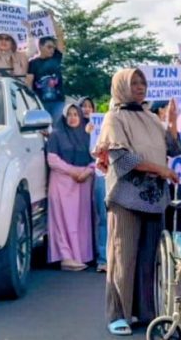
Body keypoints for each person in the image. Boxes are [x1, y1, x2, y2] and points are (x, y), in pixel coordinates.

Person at [96, 68, 181, 336]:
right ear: (121, 86)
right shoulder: (114, 117)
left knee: (149, 259)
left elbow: (175, 149)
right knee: (123, 257)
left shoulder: (150, 116)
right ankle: (118, 314)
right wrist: (161, 170)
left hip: (155, 198)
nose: (139, 87)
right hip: (126, 197)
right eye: (133, 82)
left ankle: (146, 312)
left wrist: (172, 123)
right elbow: (122, 160)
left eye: (142, 82)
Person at [46, 103, 95, 271]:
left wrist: (87, 171)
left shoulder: (88, 135)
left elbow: (97, 156)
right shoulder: (56, 135)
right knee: (64, 220)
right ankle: (66, 257)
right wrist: (73, 171)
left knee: (82, 220)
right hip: (63, 182)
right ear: (64, 117)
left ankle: (81, 256)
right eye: (70, 114)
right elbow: (52, 159)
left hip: (83, 181)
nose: (73, 117)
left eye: (76, 114)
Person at [80, 96, 108, 273]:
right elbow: (92, 153)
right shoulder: (91, 127)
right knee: (103, 218)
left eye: (90, 106)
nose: (86, 109)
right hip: (100, 175)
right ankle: (103, 259)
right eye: (83, 106)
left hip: (119, 175)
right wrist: (89, 134)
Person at [27, 24, 67, 119]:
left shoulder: (56, 58)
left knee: (56, 129)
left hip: (58, 101)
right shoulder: (33, 63)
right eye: (49, 47)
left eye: (53, 47)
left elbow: (60, 36)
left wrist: (52, 19)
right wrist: (32, 101)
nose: (52, 50)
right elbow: (29, 83)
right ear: (40, 46)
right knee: (43, 129)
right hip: (41, 102)